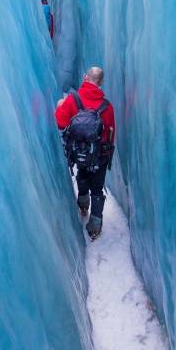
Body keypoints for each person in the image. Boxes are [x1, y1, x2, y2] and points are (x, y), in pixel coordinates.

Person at [55, 67, 115, 240]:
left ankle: (83, 205)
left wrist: (60, 106)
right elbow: (110, 131)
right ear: (101, 83)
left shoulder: (73, 100)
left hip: (79, 152)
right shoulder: (107, 106)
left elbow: (60, 122)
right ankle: (95, 227)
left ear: (85, 77)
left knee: (82, 175)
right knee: (97, 188)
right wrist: (107, 152)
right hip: (99, 155)